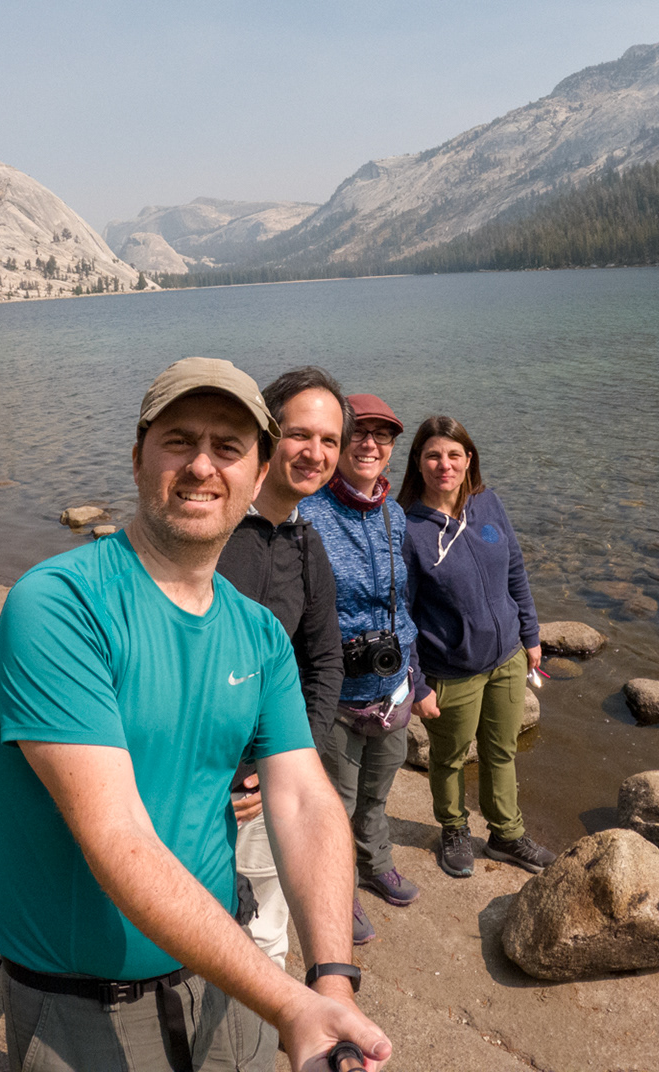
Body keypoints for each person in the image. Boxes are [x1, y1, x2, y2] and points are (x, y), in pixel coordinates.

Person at [0, 357, 389, 1072]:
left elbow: (301, 799)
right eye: (180, 441)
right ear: (139, 456)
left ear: (258, 474)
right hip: (80, 1003)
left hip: (219, 974)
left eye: (229, 447)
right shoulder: (59, 606)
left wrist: (331, 978)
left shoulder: (259, 635)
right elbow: (118, 836)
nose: (204, 465)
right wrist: (290, 1002)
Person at [216, 367, 347, 968]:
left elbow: (324, 664)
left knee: (266, 932)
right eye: (301, 435)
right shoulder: (212, 529)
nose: (315, 454)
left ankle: (245, 1049)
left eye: (329, 441)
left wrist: (293, 761)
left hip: (267, 785)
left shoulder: (306, 545)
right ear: (268, 435)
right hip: (195, 782)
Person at [299, 393, 436, 947]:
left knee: (378, 792)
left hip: (394, 686)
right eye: (359, 433)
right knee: (336, 801)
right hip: (336, 692)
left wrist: (416, 675)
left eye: (384, 436)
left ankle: (376, 862)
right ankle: (338, 889)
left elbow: (402, 605)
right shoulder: (308, 512)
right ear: (339, 441)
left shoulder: (393, 512)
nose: (372, 444)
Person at [398, 415, 557, 878]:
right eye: (433, 455)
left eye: (453, 454)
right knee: (448, 757)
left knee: (501, 750)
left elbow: (515, 572)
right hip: (451, 668)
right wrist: (418, 682)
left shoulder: (486, 503)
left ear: (469, 460)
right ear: (418, 463)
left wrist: (530, 636)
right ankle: (453, 827)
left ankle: (506, 834)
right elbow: (400, 613)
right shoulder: (408, 528)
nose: (444, 464)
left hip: (507, 656)